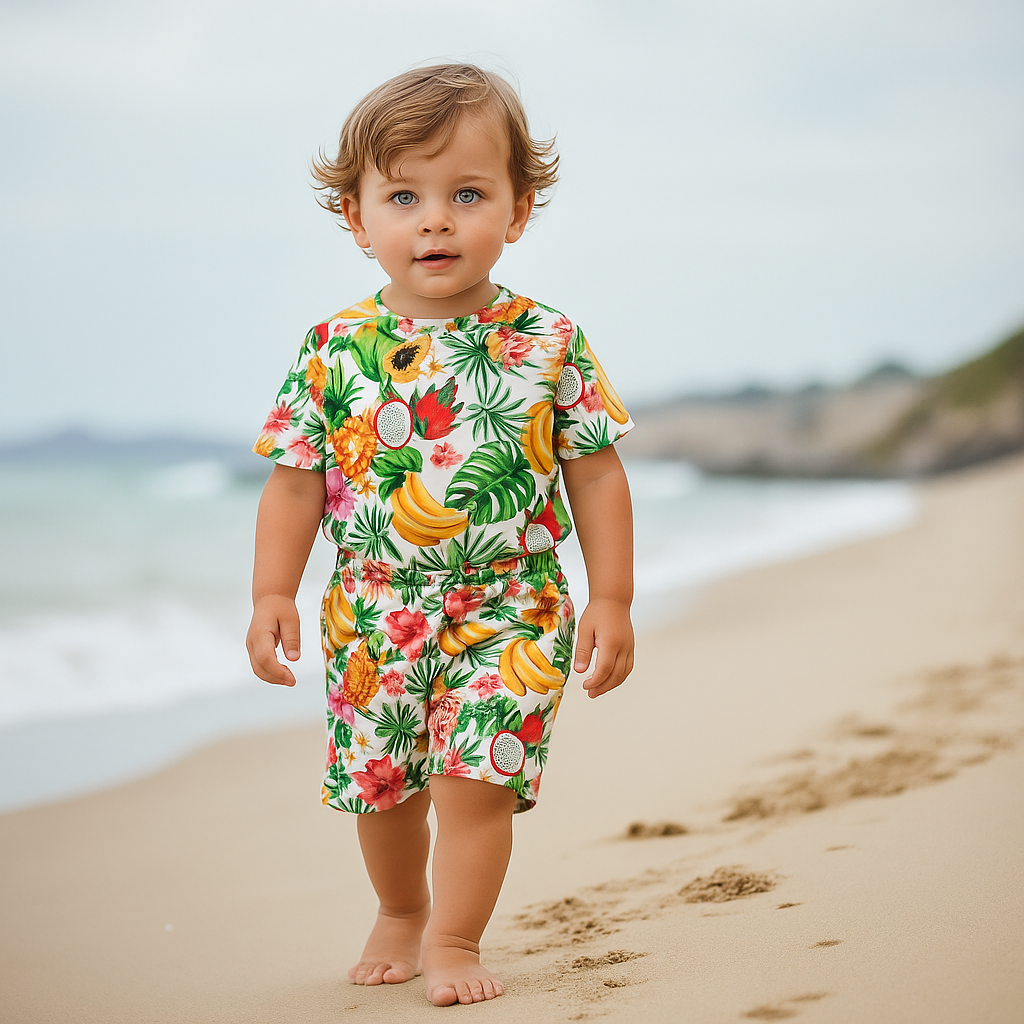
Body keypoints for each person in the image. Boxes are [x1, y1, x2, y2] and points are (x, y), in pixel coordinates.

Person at [246, 63, 635, 1007]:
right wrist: (271, 593)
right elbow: (297, 484)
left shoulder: (547, 340)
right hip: (373, 608)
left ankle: (455, 938)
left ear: (519, 207)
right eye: (404, 196)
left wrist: (613, 597)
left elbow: (594, 470)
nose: (436, 220)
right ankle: (400, 910)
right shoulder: (333, 346)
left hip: (514, 601)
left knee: (477, 779)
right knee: (384, 785)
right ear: (356, 216)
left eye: (468, 193)